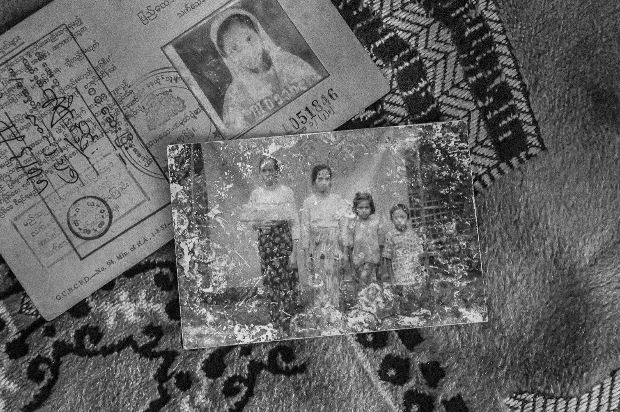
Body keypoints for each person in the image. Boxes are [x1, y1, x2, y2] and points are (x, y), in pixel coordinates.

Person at [210, 8, 323, 134]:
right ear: (227, 56)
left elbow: (320, 94)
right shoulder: (235, 97)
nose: (247, 51)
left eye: (249, 38)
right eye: (234, 49)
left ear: (258, 33)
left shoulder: (288, 62)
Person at [243, 155, 300, 332]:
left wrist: (294, 250)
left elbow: (294, 221)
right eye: (264, 170)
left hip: (284, 239)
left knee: (288, 279)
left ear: (277, 172)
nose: (268, 174)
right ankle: (276, 320)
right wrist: (259, 224)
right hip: (266, 242)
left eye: (271, 170)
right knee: (271, 280)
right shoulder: (256, 194)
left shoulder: (286, 192)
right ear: (260, 173)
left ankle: (290, 320)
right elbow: (249, 221)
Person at [300, 164, 351, 310]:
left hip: (334, 245)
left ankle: (334, 311)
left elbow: (343, 226)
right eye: (320, 179)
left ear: (331, 181)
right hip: (317, 246)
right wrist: (306, 254)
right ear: (313, 182)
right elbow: (305, 228)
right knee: (318, 279)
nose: (324, 182)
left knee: (334, 279)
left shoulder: (337, 200)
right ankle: (320, 312)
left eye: (327, 179)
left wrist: (345, 250)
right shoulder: (308, 202)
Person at [382, 204, 426, 312]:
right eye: (396, 218)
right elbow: (387, 257)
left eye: (402, 217)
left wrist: (421, 272)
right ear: (392, 219)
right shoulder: (390, 235)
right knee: (401, 298)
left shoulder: (413, 235)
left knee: (414, 297)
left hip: (412, 272)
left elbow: (419, 256)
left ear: (408, 218)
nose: (399, 220)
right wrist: (392, 279)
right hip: (399, 274)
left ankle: (415, 313)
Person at [347, 192, 384, 297]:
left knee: (370, 284)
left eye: (366, 207)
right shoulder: (353, 224)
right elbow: (350, 246)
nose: (364, 210)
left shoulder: (375, 222)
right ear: (356, 209)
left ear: (371, 208)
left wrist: (381, 262)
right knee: (362, 287)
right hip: (358, 261)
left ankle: (373, 304)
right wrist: (351, 267)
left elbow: (381, 243)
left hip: (373, 260)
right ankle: (363, 304)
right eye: (361, 207)